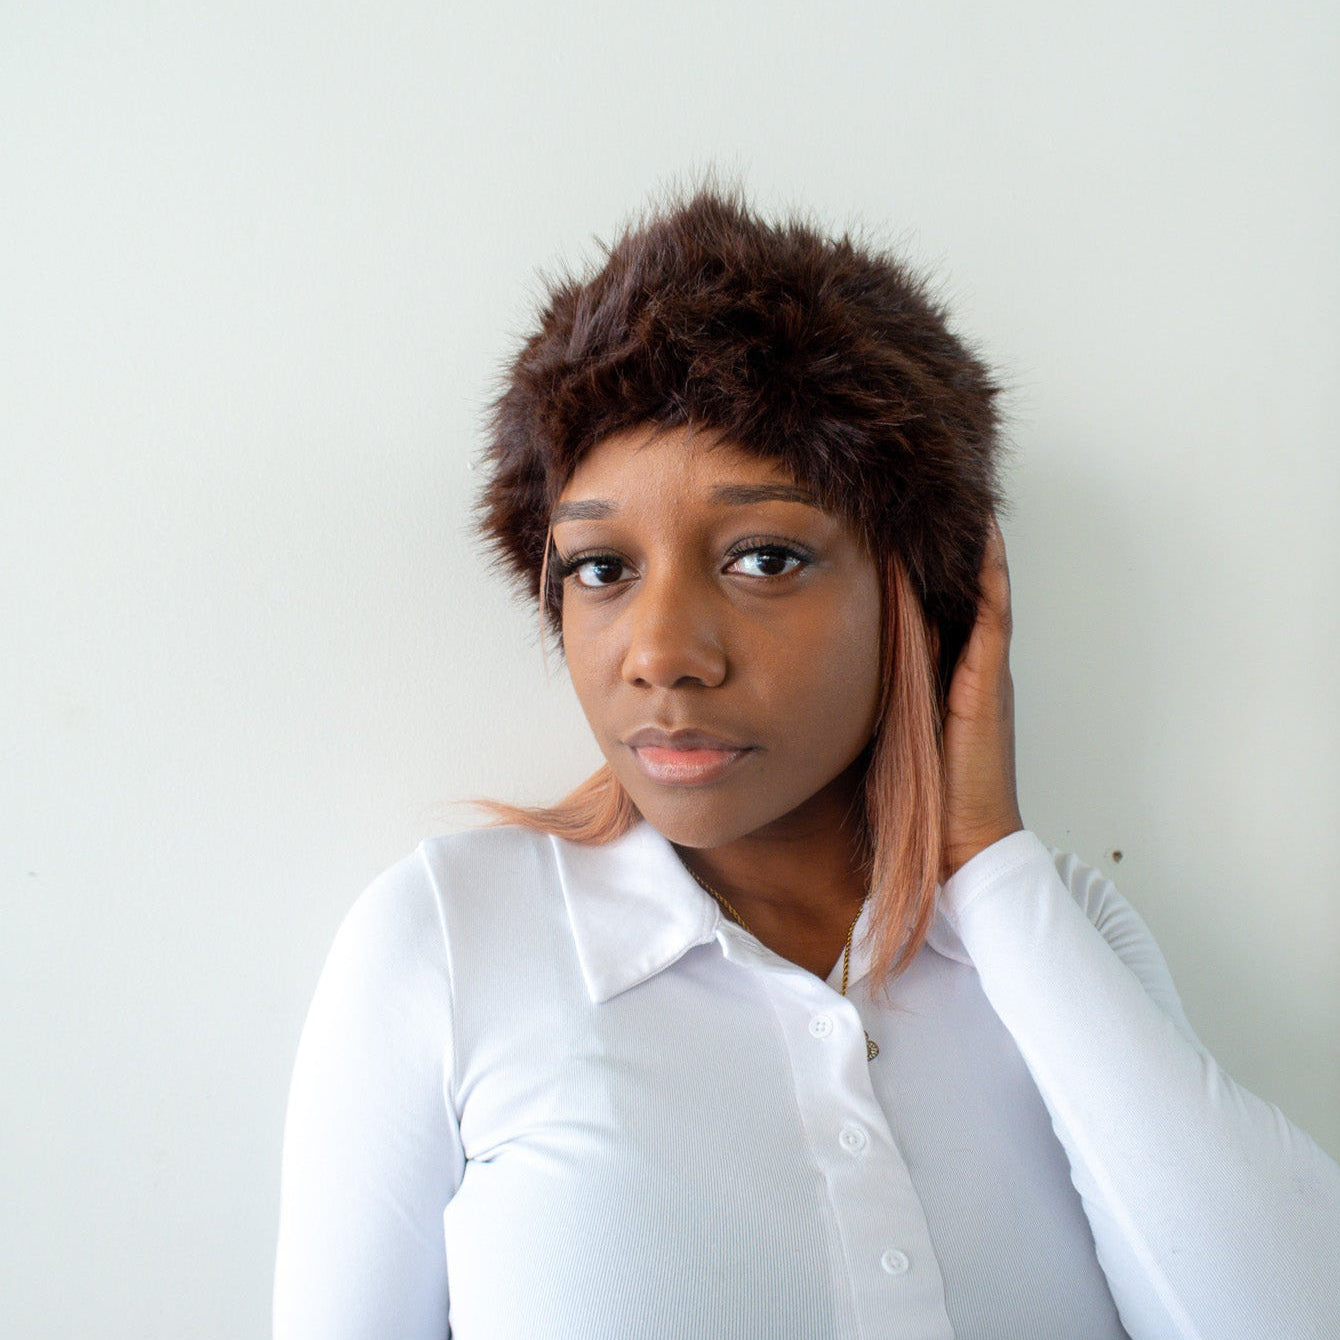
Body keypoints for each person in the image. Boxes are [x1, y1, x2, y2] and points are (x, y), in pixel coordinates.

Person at [272, 189, 1340, 1339]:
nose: (659, 654)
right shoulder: (451, 942)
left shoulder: (1053, 930)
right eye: (600, 569)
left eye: (764, 557)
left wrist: (986, 859)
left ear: (917, 594)